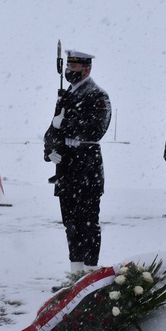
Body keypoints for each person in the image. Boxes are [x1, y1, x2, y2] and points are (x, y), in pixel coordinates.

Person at [44, 50, 111, 272]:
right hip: (66, 169)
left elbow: (96, 131)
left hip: (86, 169)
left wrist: (64, 125)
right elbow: (51, 130)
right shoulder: (65, 96)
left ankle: (90, 275)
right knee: (71, 225)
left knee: (88, 224)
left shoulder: (98, 96)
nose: (69, 72)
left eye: (74, 68)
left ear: (86, 69)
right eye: (68, 67)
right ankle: (75, 275)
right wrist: (50, 149)